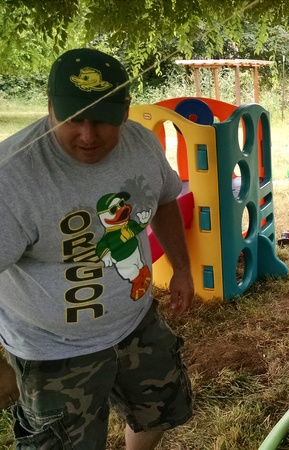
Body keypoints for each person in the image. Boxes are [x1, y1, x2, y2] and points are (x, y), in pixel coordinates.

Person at [0, 48, 194, 450]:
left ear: (125, 111)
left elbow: (163, 199)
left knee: (157, 410)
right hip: (50, 350)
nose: (88, 136)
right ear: (50, 107)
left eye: (102, 120)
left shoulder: (141, 145)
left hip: (136, 322)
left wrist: (182, 268)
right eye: (74, 119)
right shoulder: (12, 177)